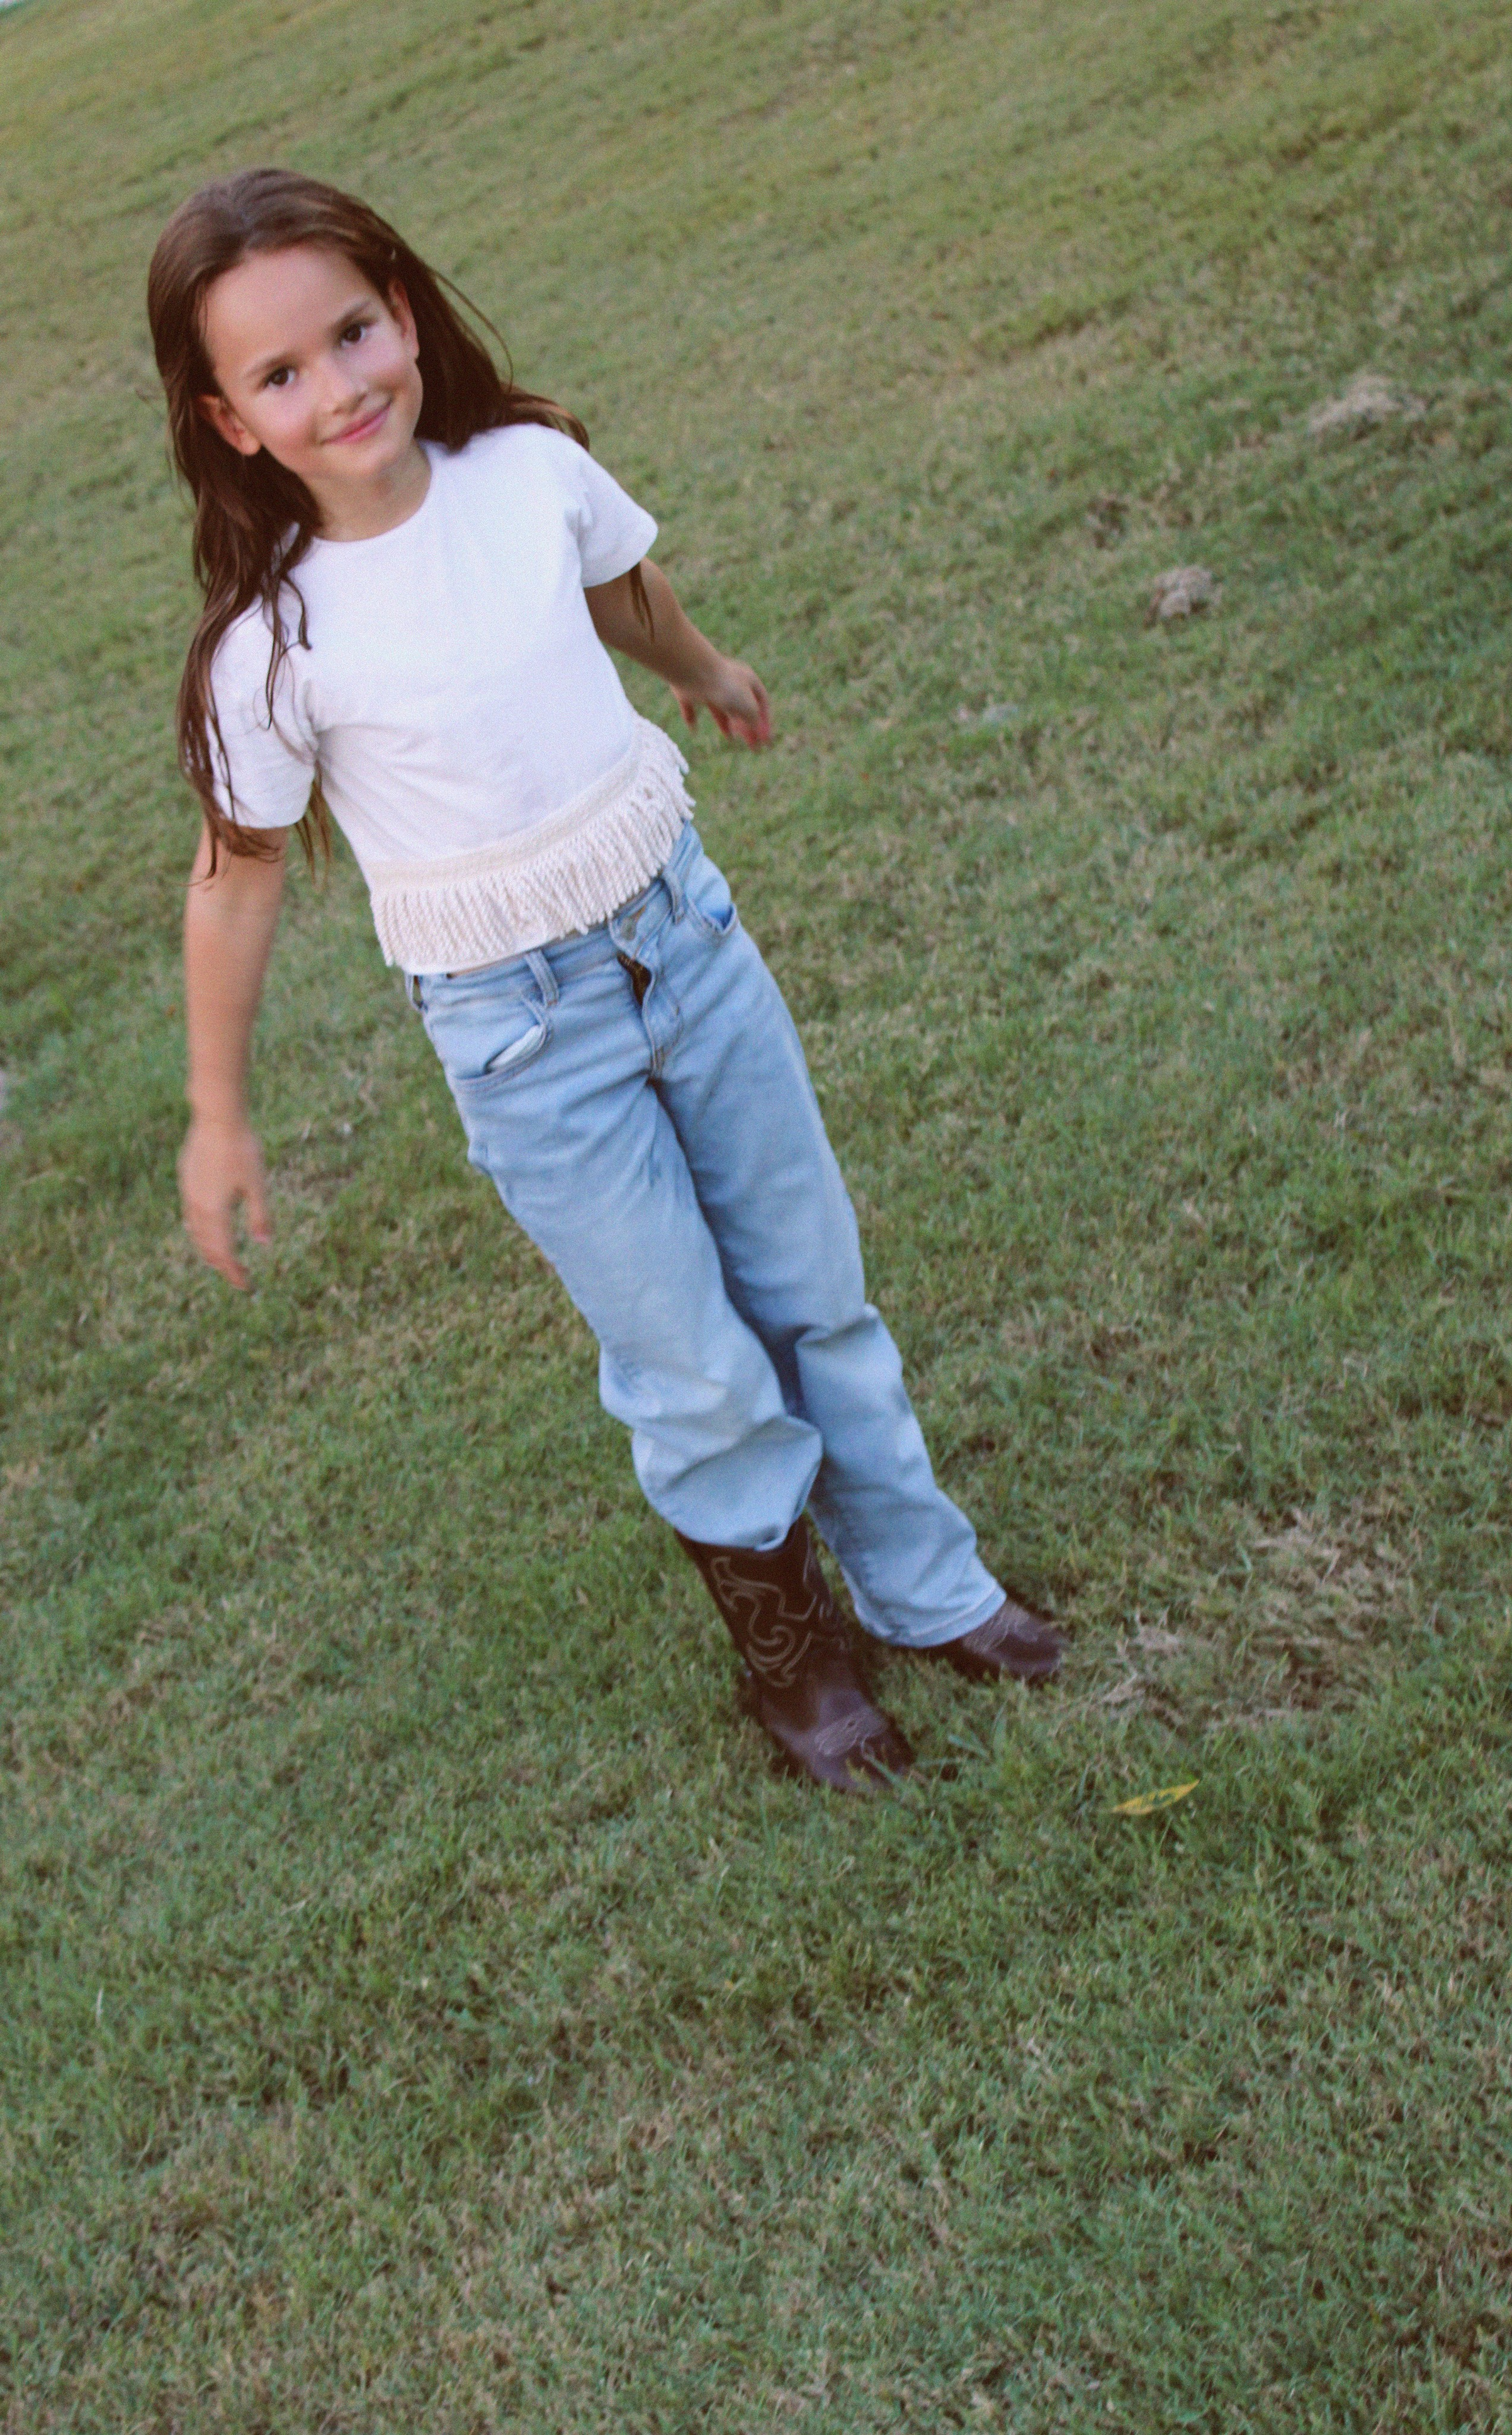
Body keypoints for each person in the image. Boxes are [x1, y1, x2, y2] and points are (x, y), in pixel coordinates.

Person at [148, 167, 1063, 1795]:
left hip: (686, 938)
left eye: (353, 333)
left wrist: (700, 668)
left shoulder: (527, 470)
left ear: (404, 312)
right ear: (228, 420)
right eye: (279, 374)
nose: (339, 386)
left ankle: (930, 1583)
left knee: (812, 1281)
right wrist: (217, 1113)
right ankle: (795, 1658)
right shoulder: (272, 646)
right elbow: (239, 879)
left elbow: (613, 581)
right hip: (523, 1037)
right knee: (693, 1356)